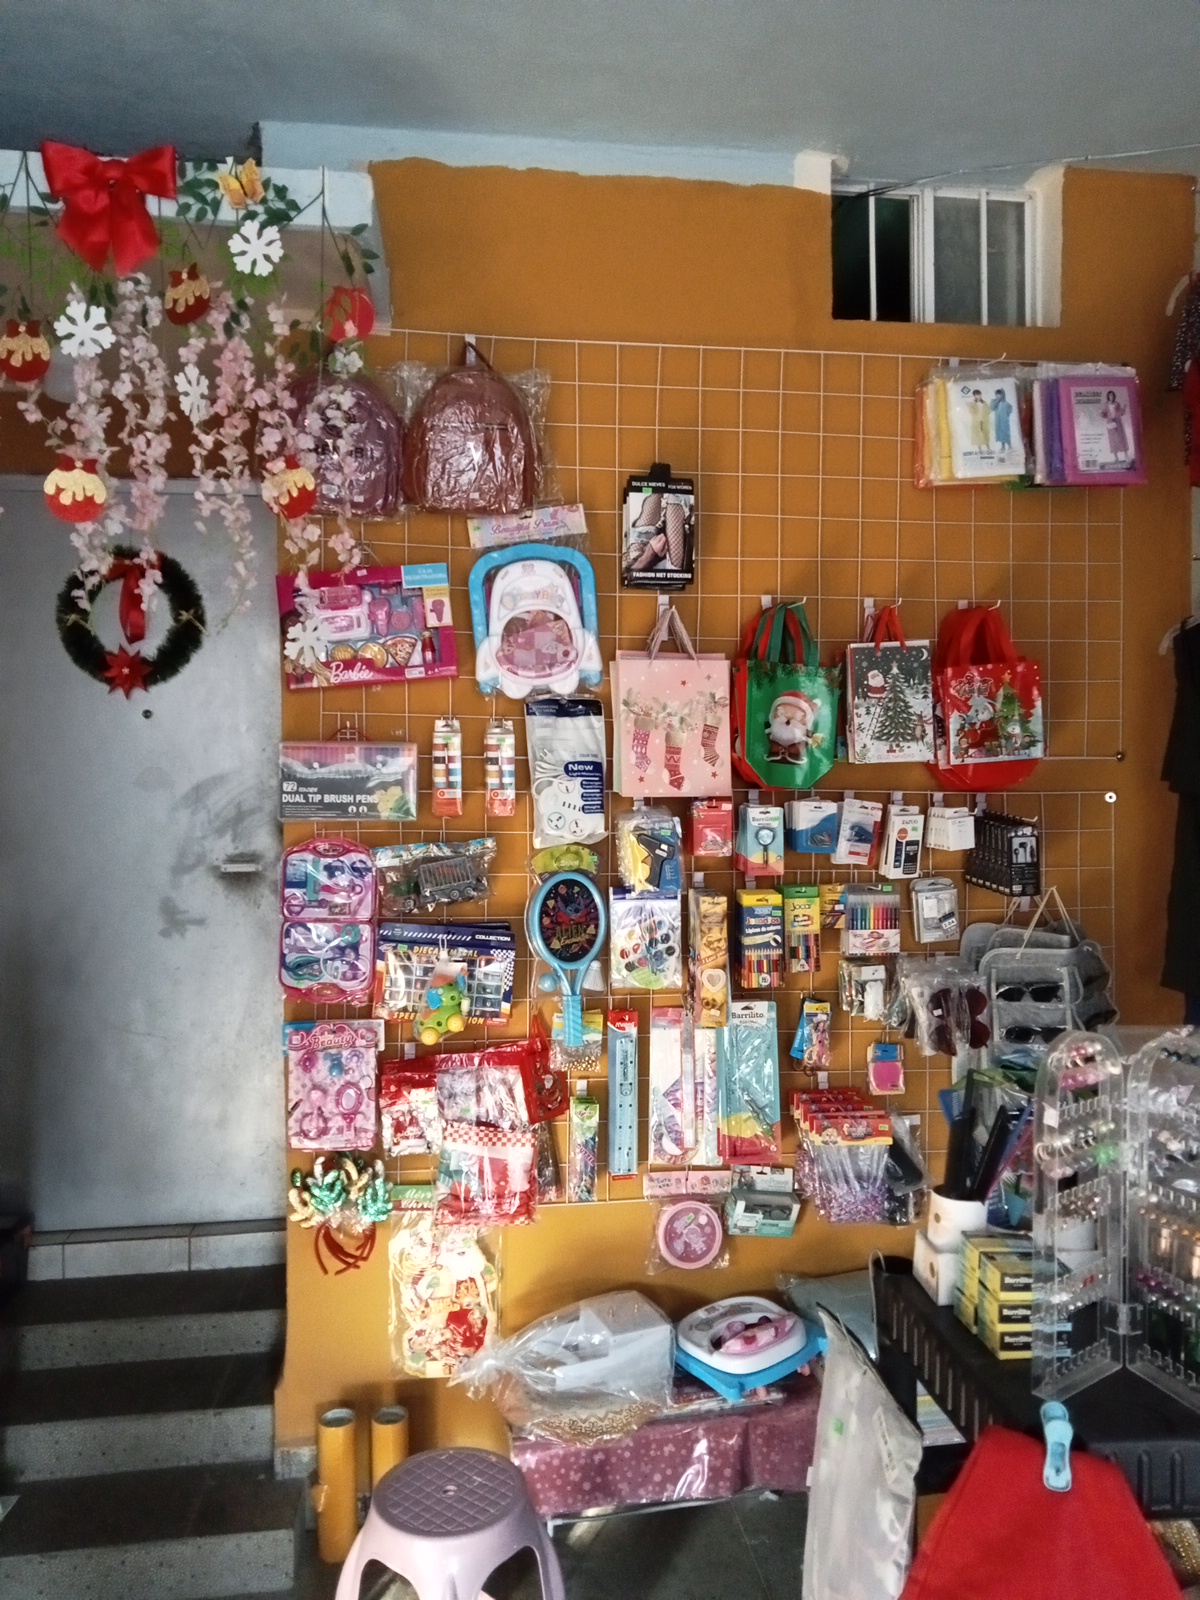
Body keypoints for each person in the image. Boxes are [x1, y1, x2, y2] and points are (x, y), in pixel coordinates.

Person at [1100, 388, 1130, 464]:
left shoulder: (1117, 403)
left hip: (1118, 422)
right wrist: (1101, 413)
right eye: (1110, 396)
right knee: (1112, 440)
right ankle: (1116, 458)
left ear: (1114, 396)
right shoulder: (1106, 404)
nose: (1111, 397)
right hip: (1110, 423)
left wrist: (1124, 407)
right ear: (1108, 396)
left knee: (1121, 438)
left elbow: (1121, 413)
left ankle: (1126, 456)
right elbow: (1104, 414)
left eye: (1112, 396)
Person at [990, 387, 1014, 451]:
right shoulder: (994, 402)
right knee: (1000, 434)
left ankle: (1010, 446)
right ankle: (1003, 447)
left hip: (1004, 421)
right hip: (998, 421)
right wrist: (997, 401)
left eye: (1000, 394)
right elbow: (992, 408)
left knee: (1006, 433)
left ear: (1002, 395)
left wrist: (1007, 415)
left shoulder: (1005, 403)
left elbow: (1010, 408)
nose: (998, 396)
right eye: (997, 395)